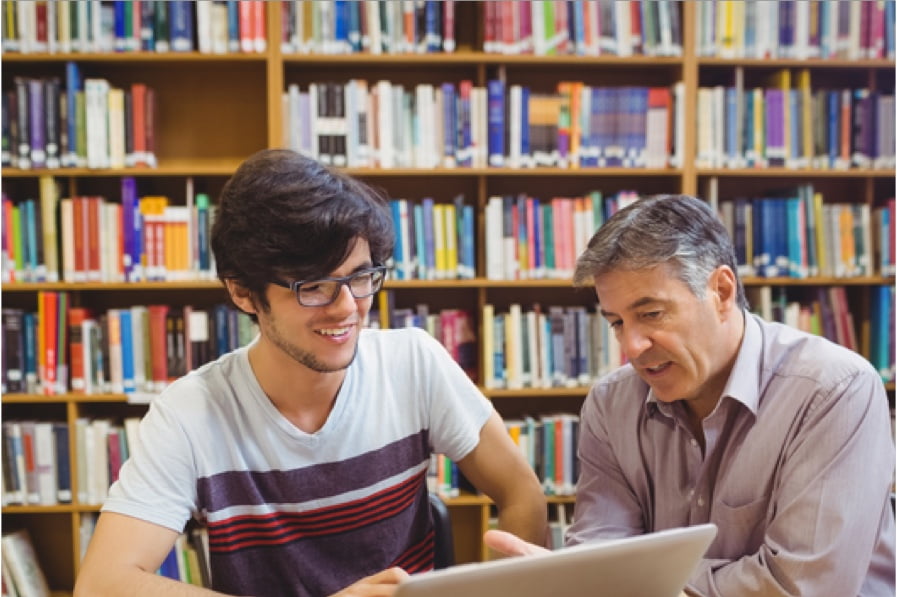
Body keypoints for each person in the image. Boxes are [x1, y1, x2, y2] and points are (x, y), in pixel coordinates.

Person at [75, 149, 547, 597]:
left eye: (360, 277)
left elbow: (521, 491)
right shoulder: (191, 413)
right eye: (315, 286)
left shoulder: (412, 363)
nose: (347, 308)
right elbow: (102, 584)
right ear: (243, 293)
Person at [485, 194, 895, 596]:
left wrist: (641, 581)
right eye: (615, 322)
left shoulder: (833, 391)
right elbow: (600, 561)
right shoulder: (611, 405)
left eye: (650, 314)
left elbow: (801, 588)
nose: (632, 346)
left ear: (720, 291)